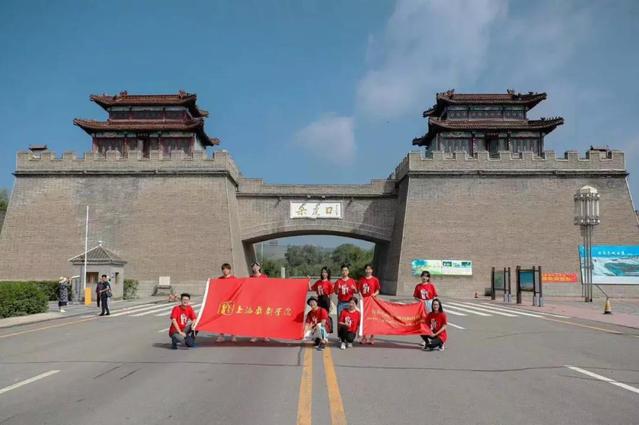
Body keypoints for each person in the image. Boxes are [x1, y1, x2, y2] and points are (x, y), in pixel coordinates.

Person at [357, 264, 380, 344]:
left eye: (369, 269)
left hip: (372, 302)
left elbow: (378, 290)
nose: (368, 270)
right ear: (365, 270)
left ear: (372, 270)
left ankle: (372, 337)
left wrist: (374, 294)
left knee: (372, 319)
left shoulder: (375, 280)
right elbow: (359, 290)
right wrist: (360, 296)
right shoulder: (361, 280)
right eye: (366, 269)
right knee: (364, 319)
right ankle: (364, 337)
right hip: (364, 302)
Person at [249, 262, 270, 343]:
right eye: (253, 266)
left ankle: (265, 335)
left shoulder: (264, 277)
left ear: (259, 267)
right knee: (254, 319)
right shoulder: (250, 278)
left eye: (256, 266)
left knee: (264, 319)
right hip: (254, 301)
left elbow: (268, 287)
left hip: (263, 301)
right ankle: (254, 335)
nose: (255, 267)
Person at [216, 263, 237, 343]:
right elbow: (216, 290)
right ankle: (221, 335)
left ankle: (233, 335)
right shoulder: (219, 279)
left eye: (227, 269)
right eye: (223, 269)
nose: (225, 271)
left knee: (232, 320)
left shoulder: (234, 279)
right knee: (222, 319)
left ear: (229, 270)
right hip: (222, 303)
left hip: (231, 302)